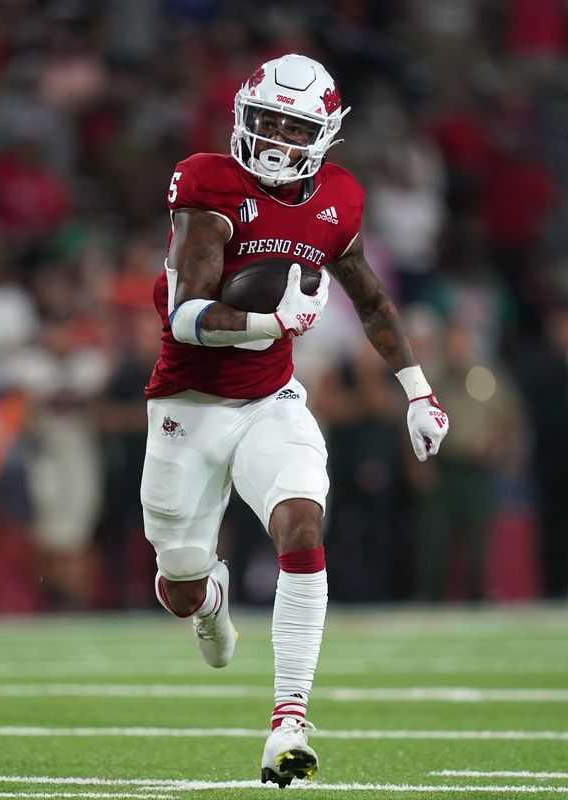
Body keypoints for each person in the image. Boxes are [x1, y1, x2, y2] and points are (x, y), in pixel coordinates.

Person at [141, 54, 450, 786]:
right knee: (179, 586)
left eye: (294, 126)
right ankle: (210, 597)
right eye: (268, 120)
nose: (277, 137)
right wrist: (266, 321)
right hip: (186, 406)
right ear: (244, 116)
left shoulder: (339, 198)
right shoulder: (208, 183)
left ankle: (289, 720)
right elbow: (185, 314)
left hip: (269, 403)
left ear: (325, 135)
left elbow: (372, 300)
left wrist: (418, 388)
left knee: (303, 523)